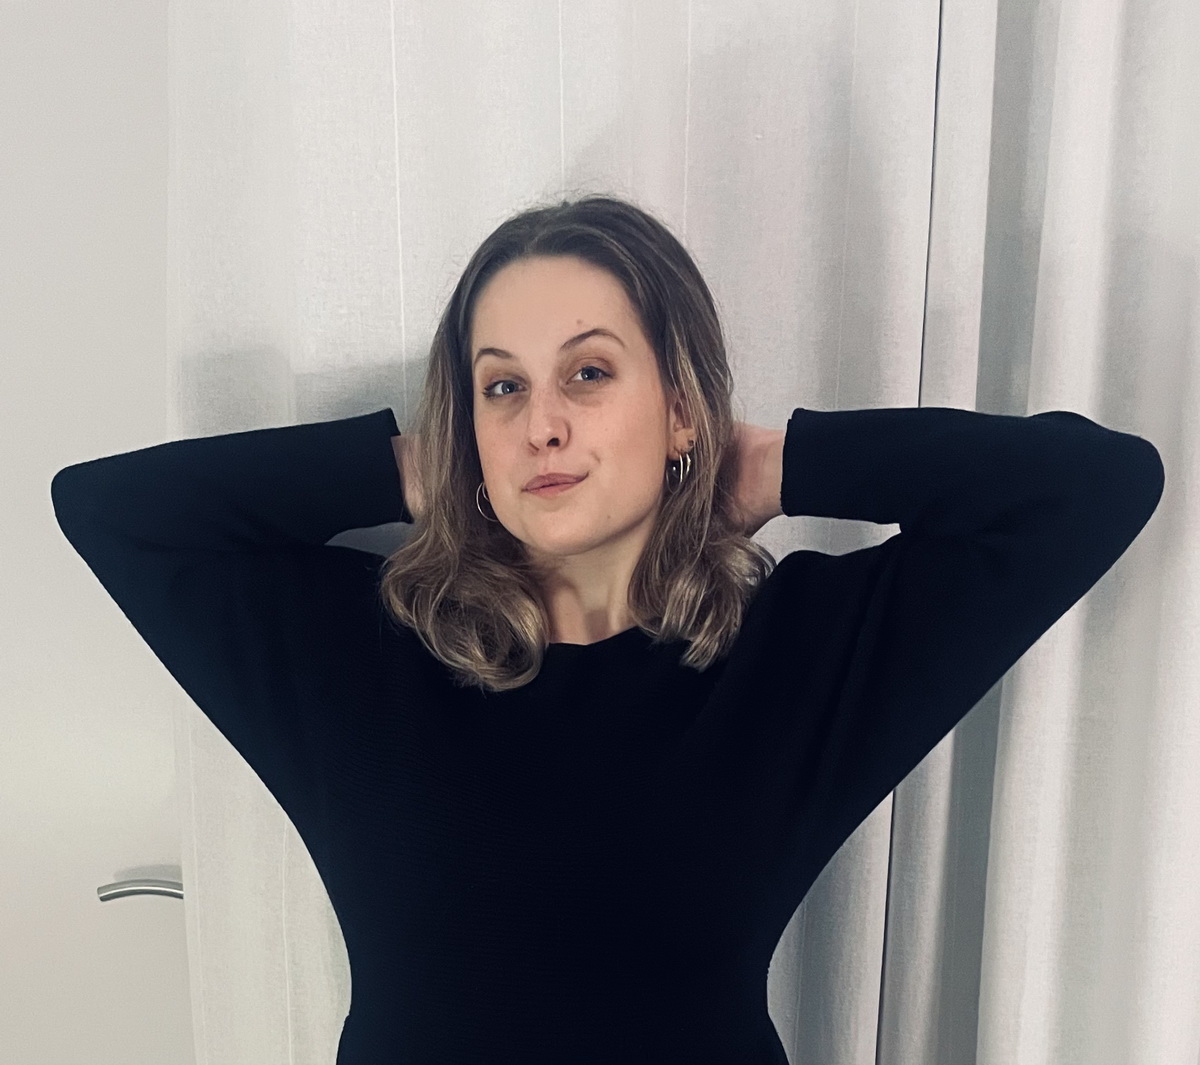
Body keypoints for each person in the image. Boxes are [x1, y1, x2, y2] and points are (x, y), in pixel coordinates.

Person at [50, 194, 1164, 1064]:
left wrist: (773, 466)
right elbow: (110, 509)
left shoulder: (792, 657)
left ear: (679, 407)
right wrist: (415, 469)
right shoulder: (361, 652)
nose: (541, 423)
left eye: (588, 373)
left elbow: (1092, 489)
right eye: (500, 388)